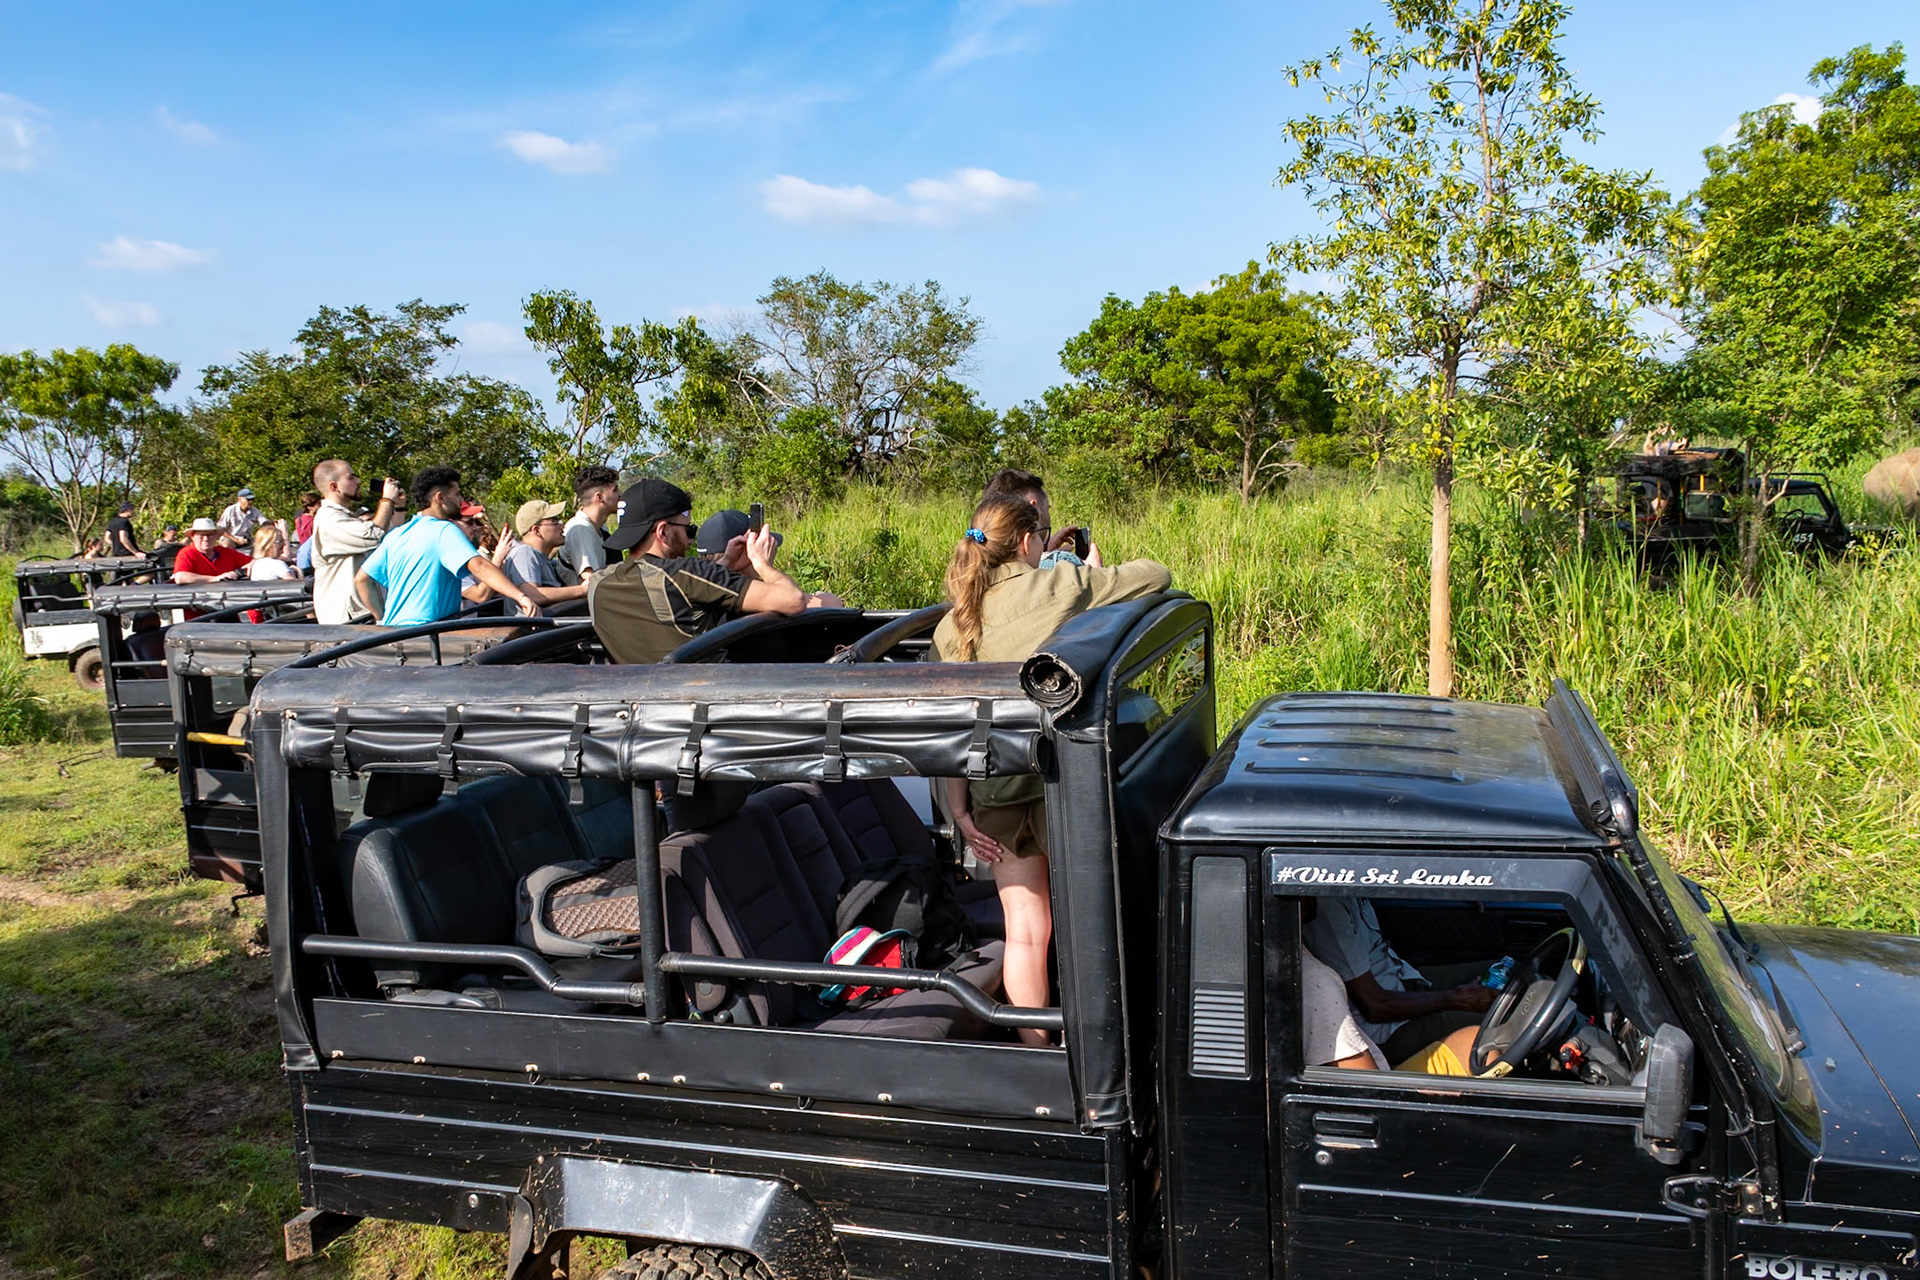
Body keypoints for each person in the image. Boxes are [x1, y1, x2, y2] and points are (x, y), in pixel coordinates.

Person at [932, 496, 1172, 1046]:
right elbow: (1156, 574)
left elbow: (955, 729)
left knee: (1025, 931)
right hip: (1062, 786)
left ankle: (1037, 1049)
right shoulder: (1057, 588)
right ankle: (1100, 1050)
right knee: (1087, 919)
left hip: (993, 793)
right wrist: (1089, 571)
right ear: (1027, 543)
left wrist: (961, 812)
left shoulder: (953, 625)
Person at [589, 478, 841, 664]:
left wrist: (727, 564)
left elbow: (680, 598)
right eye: (688, 530)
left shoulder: (599, 584)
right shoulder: (684, 572)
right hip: (713, 707)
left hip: (642, 708)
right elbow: (793, 601)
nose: (690, 541)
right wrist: (761, 563)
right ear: (663, 531)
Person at [1303, 896, 1495, 1065]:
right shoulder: (1328, 912)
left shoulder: (1350, 891)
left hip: (1399, 980)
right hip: (1388, 1030)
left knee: (1498, 969)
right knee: (1500, 1025)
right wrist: (1456, 999)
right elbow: (1376, 1006)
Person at [354, 467, 536, 626]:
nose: (461, 500)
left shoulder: (396, 535)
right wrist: (521, 597)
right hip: (428, 637)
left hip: (394, 637)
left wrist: (381, 619)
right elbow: (479, 566)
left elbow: (361, 580)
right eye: (456, 494)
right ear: (440, 498)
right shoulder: (444, 530)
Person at [1302, 944, 1483, 1076]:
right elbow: (1365, 1091)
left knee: (1477, 1041)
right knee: (1485, 1044)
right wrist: (1455, 999)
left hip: (1399, 985)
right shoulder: (1316, 981)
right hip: (1384, 1050)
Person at [310, 460, 406, 625]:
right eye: (351, 478)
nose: (358, 481)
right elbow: (373, 536)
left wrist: (399, 507)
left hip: (361, 616)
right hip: (347, 620)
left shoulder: (345, 516)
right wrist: (386, 500)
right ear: (334, 486)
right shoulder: (329, 518)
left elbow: (390, 535)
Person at [980, 467, 1099, 568]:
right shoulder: (1059, 564)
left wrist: (1041, 552)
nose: (1048, 516)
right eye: (1047, 508)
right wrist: (1095, 574)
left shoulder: (978, 565)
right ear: (1034, 508)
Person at [503, 500, 590, 612]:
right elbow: (532, 594)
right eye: (554, 521)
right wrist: (582, 590)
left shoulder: (539, 557)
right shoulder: (524, 553)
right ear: (537, 530)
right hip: (532, 628)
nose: (562, 525)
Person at [561, 465, 620, 583]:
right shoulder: (580, 530)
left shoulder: (599, 528)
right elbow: (591, 579)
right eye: (615, 490)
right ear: (599, 497)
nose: (620, 494)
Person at [173, 518, 251, 583]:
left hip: (230, 598)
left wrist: (242, 571)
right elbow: (180, 577)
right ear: (193, 537)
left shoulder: (226, 552)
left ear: (216, 537)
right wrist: (215, 579)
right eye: (201, 535)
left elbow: (254, 562)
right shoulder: (186, 553)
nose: (206, 539)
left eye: (210, 535)